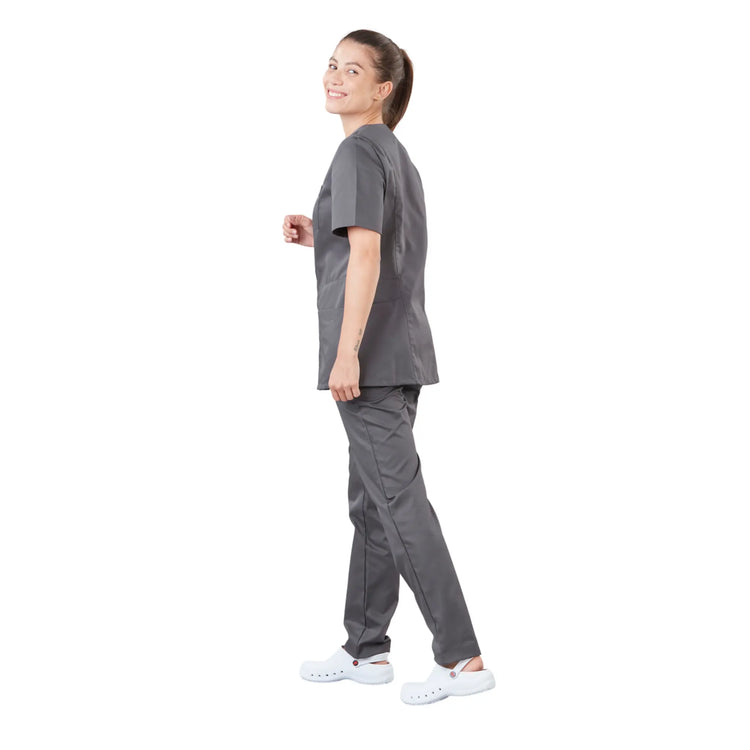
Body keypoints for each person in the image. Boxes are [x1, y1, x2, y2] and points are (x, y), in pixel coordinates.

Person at [282, 29, 495, 705]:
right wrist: (321, 235)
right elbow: (379, 244)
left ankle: (461, 658)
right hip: (401, 351)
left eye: (352, 70)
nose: (333, 76)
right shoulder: (391, 153)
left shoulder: (356, 151)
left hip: (369, 360)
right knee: (375, 503)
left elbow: (372, 256)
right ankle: (366, 648)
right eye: (331, 64)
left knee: (399, 504)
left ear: (383, 89)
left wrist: (346, 351)